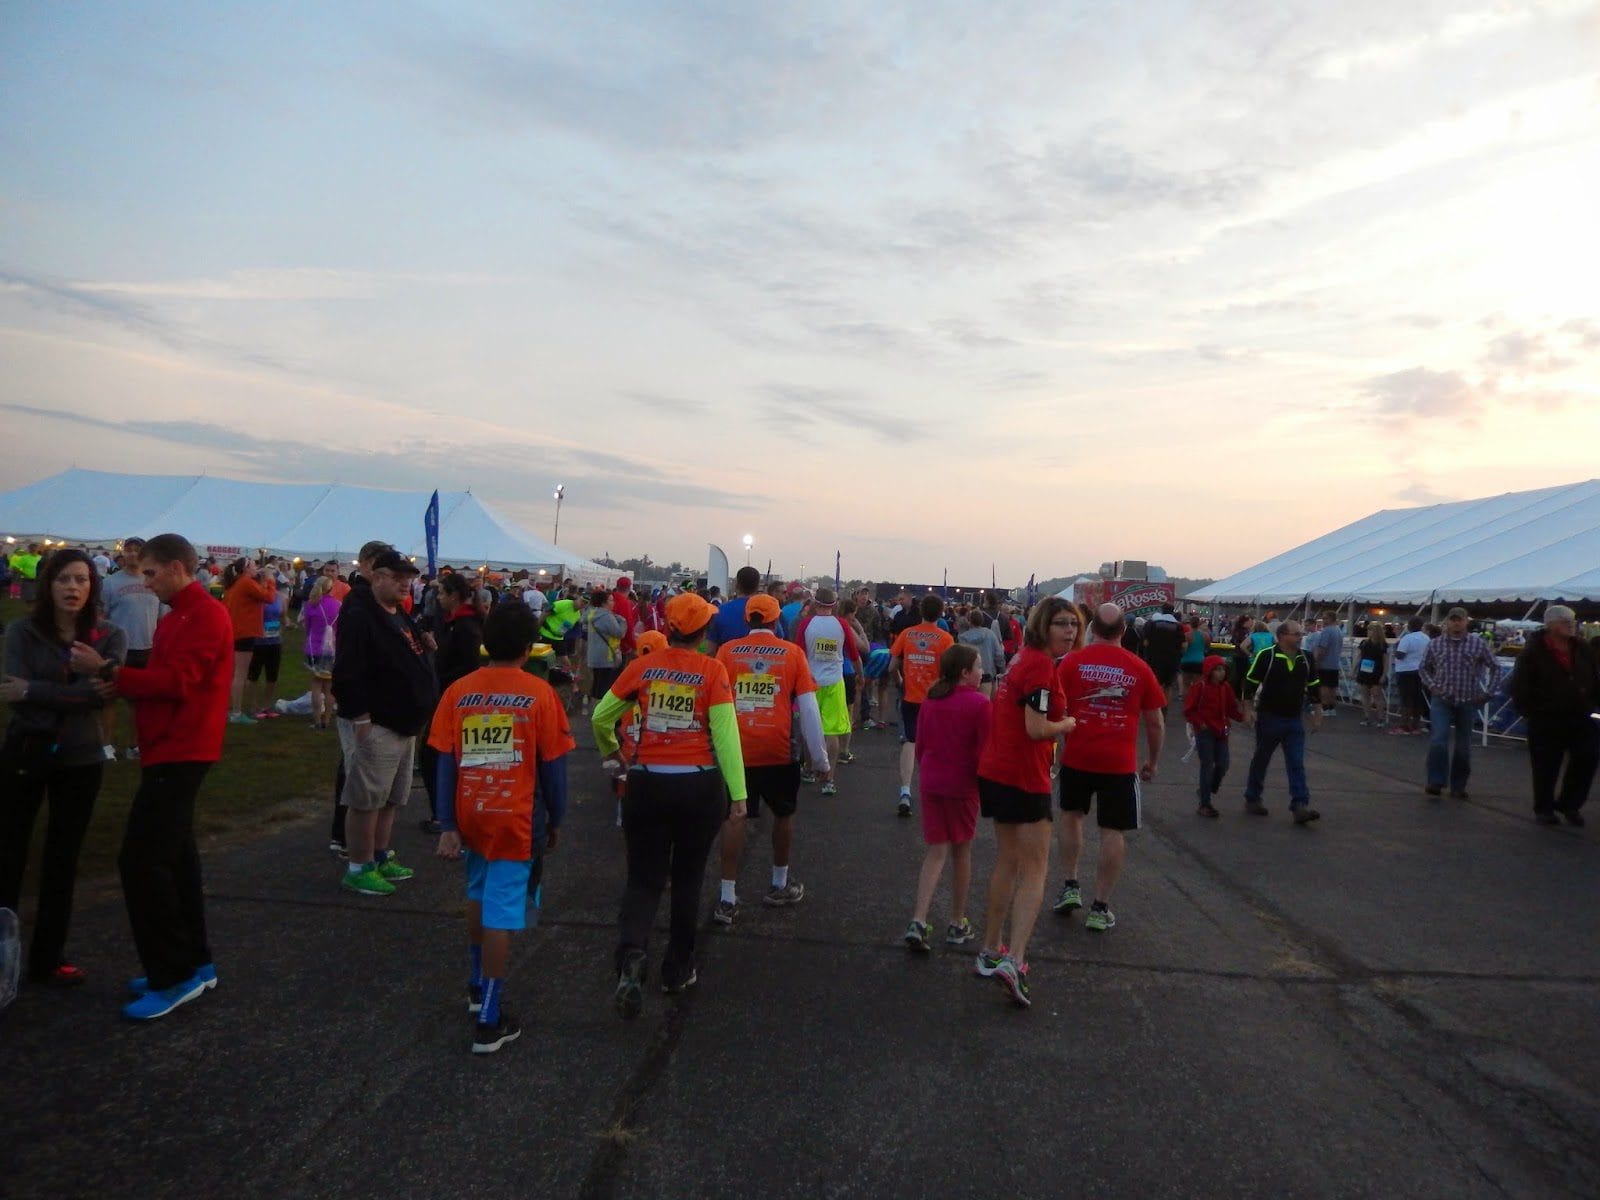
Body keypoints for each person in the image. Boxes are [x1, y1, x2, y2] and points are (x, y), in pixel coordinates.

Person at [68, 534, 231, 1020]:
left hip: (183, 747)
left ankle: (173, 974)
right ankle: (195, 962)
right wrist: (121, 681)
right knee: (176, 859)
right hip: (169, 746)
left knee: (142, 861)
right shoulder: (179, 613)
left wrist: (109, 669)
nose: (146, 582)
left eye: (152, 572)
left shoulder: (204, 614)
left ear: (178, 568)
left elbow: (179, 682)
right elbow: (166, 678)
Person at [591, 593, 746, 1017]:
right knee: (689, 879)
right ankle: (677, 969)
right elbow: (725, 735)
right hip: (698, 785)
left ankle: (632, 954)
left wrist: (614, 757)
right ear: (703, 631)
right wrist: (738, 793)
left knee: (643, 878)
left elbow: (602, 717)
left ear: (671, 627)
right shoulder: (712, 670)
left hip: (646, 782)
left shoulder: (642, 667)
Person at [429, 602, 574, 1054]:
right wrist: (557, 818)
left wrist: (448, 821)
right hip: (516, 818)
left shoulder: (459, 691)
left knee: (478, 891)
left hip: (472, 810)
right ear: (530, 647)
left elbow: (444, 760)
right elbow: (554, 768)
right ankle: (490, 1018)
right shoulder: (540, 694)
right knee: (501, 912)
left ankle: (477, 985)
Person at [0, 548, 127, 987]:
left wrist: (34, 690)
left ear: (93, 586)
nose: (73, 588)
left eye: (81, 579)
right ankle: (4, 955)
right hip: (26, 752)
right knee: (9, 853)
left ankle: (48, 958)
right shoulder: (22, 632)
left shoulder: (109, 636)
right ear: (48, 584)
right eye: (63, 579)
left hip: (81, 757)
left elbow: (101, 695)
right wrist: (73, 693)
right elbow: (9, 691)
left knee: (62, 856)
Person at [973, 598, 1077, 1007]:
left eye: (1073, 624)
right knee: (1035, 868)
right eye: (1060, 624)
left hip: (998, 770)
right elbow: (1036, 728)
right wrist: (1067, 724)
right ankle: (1014, 959)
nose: (1069, 631)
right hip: (1023, 776)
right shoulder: (1039, 666)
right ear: (1042, 626)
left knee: (1008, 861)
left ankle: (990, 948)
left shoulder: (1023, 659)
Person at [712, 593, 827, 926]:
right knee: (784, 813)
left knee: (735, 817)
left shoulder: (727, 652)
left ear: (747, 619)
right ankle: (779, 883)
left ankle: (727, 897)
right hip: (779, 748)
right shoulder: (792, 653)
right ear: (776, 621)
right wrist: (820, 759)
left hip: (736, 748)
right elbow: (809, 710)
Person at [1053, 603, 1165, 934]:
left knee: (1071, 816)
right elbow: (1155, 723)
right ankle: (1100, 907)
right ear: (1124, 631)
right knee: (1112, 831)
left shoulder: (1071, 662)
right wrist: (1153, 760)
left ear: (1092, 630)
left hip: (1077, 755)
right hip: (1118, 762)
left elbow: (1055, 709)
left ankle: (1070, 884)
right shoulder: (1139, 667)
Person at [331, 549, 437, 896]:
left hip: (404, 722)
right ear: (377, 577)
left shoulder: (397, 612)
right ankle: (359, 866)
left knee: (391, 797)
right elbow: (348, 671)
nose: (406, 584)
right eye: (397, 577)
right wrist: (361, 717)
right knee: (366, 799)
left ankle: (379, 854)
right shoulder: (361, 614)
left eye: (409, 578)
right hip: (378, 721)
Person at [904, 644, 991, 954]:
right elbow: (985, 750)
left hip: (932, 781)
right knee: (962, 851)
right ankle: (956, 921)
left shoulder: (931, 700)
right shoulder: (980, 704)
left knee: (936, 850)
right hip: (962, 785)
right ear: (965, 673)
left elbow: (921, 744)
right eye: (978, 667)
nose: (982, 672)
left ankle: (918, 919)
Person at [1507, 605, 1596, 827]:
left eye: (1573, 620)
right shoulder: (1533, 652)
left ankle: (1570, 803)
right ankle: (1544, 808)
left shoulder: (1582, 648)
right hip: (1545, 717)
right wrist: (1530, 711)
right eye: (1565, 621)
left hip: (1579, 714)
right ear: (1550, 624)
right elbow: (1519, 685)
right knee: (1546, 765)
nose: (1571, 625)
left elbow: (1594, 676)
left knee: (1588, 756)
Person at [1241, 619, 1323, 823]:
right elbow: (1250, 683)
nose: (1300, 637)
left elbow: (1314, 684)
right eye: (1296, 634)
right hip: (1269, 717)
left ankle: (1300, 804)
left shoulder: (1306, 658)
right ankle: (1253, 797)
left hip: (1294, 718)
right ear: (1282, 636)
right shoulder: (1266, 656)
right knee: (1262, 758)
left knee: (1296, 762)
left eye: (1301, 634)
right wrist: (1248, 710)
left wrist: (1317, 711)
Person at [1418, 607, 1502, 800]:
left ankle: (1458, 786)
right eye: (1453, 619)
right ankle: (1435, 781)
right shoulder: (1435, 644)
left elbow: (1496, 667)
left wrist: (1488, 693)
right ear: (1447, 622)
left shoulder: (1478, 644)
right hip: (1442, 699)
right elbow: (1423, 668)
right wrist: (1433, 686)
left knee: (1463, 745)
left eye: (1460, 620)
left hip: (1467, 699)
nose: (1456, 623)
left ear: (1466, 622)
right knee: (1438, 739)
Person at [888, 595, 955, 817]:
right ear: (941, 612)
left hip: (911, 696)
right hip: (936, 698)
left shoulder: (908, 634)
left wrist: (900, 682)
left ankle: (905, 791)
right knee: (936, 744)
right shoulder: (945, 638)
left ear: (921, 611)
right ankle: (934, 790)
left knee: (910, 741)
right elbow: (950, 673)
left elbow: (891, 666)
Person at [793, 588, 858, 798]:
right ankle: (829, 779)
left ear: (815, 603)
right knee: (832, 732)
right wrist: (861, 675)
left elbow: (798, 654)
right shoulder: (842, 624)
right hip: (834, 682)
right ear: (834, 604)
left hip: (810, 683)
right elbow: (854, 653)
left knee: (809, 728)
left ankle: (809, 770)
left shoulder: (806, 624)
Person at [1182, 654, 1250, 817]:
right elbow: (1189, 710)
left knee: (1223, 764)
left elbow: (1231, 708)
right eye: (1217, 669)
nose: (1221, 673)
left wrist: (1243, 717)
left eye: (1223, 670)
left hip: (1221, 731)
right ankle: (1204, 803)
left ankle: (1207, 788)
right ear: (1209, 670)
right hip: (1205, 732)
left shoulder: (1225, 688)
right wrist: (1200, 724)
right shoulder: (1200, 687)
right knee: (1207, 765)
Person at [220, 557, 276, 725]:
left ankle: (229, 709)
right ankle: (236, 713)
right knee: (240, 674)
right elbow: (269, 597)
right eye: (253, 566)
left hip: (234, 631)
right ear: (246, 569)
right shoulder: (245, 582)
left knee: (234, 673)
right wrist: (270, 581)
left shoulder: (236, 583)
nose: (256, 568)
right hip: (244, 632)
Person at [301, 575, 340, 730]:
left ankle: (317, 720)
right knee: (329, 686)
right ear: (331, 588)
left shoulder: (311, 605)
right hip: (332, 650)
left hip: (314, 648)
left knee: (316, 685)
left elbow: (307, 628)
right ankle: (327, 720)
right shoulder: (338, 605)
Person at [583, 590, 628, 714]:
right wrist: (622, 620)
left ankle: (593, 708)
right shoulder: (606, 616)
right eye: (611, 600)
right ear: (604, 603)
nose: (613, 603)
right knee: (604, 685)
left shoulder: (591, 613)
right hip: (606, 655)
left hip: (593, 654)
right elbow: (619, 633)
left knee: (597, 682)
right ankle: (600, 711)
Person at [245, 583, 286, 720]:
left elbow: (283, 617)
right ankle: (253, 707)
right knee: (253, 675)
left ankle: (267, 706)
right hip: (258, 642)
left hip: (275, 642)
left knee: (272, 676)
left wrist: (282, 628)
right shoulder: (256, 597)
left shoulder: (280, 597)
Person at [706, 565, 763, 653]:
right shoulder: (768, 611)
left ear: (737, 585)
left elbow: (710, 651)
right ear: (758, 586)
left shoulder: (719, 611)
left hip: (725, 660)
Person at [1389, 616, 1430, 735]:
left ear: (1410, 626)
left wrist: (1395, 650)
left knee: (1406, 699)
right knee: (1417, 699)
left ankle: (1404, 726)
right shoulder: (1426, 638)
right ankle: (1416, 726)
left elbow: (1400, 655)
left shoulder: (1407, 638)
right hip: (1420, 670)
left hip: (1405, 671)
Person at [1140, 604, 1183, 703]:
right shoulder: (1178, 626)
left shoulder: (1153, 624)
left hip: (1155, 659)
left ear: (1162, 611)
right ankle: (1165, 706)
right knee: (1168, 685)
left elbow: (1145, 642)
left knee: (1156, 683)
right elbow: (1184, 645)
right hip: (1172, 660)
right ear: (1172, 611)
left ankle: (1156, 704)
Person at [958, 609, 1005, 698]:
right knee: (986, 703)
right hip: (988, 674)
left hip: (969, 676)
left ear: (969, 621)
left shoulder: (963, 637)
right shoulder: (990, 634)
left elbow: (961, 658)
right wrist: (1002, 669)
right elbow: (999, 654)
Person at [1305, 610, 1345, 716]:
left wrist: (1316, 661)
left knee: (1324, 686)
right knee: (1332, 687)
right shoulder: (1338, 630)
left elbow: (1322, 648)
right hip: (1335, 663)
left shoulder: (1327, 631)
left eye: (1325, 618)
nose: (1323, 620)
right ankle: (1331, 708)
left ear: (1331, 619)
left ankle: (1324, 707)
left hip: (1325, 663)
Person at [1355, 625, 1388, 727]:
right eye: (1368, 630)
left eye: (1371, 630)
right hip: (1364, 671)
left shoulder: (1382, 644)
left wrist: (1384, 674)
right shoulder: (1364, 643)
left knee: (1377, 695)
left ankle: (1381, 718)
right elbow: (1359, 656)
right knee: (1365, 695)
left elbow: (1385, 661)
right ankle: (1367, 717)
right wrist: (1353, 669)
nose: (1369, 632)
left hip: (1376, 672)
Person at [1178, 617, 1208, 700]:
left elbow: (1184, 649)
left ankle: (1187, 702)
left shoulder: (1186, 635)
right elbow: (1207, 648)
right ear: (1199, 624)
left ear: (1190, 624)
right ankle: (1196, 702)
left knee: (1186, 684)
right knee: (1198, 684)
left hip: (1186, 661)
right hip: (1200, 661)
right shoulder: (1205, 635)